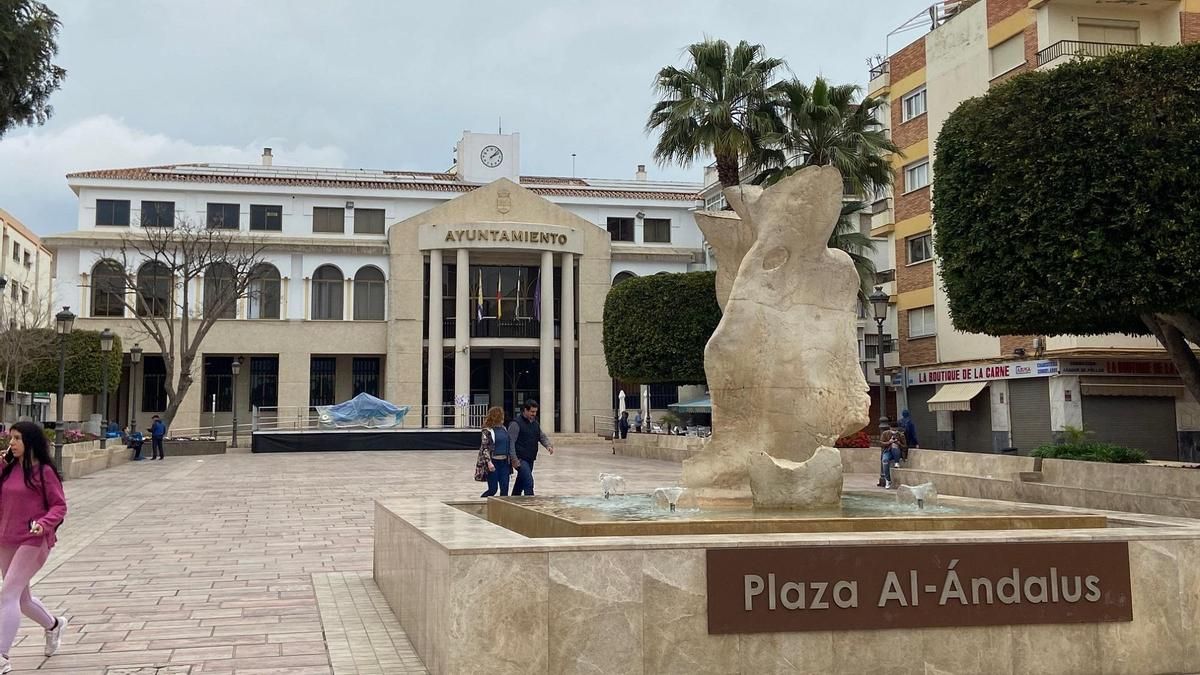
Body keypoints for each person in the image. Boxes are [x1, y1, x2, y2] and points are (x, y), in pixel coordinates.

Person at [0, 422, 69, 672]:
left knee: (7, 594)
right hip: (6, 538)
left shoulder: (44, 472)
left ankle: (2, 656)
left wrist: (44, 523)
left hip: (33, 539)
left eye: (17, 438)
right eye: (10, 438)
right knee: (22, 599)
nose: (12, 443)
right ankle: (53, 625)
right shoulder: (7, 469)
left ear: (30, 442)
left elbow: (59, 506)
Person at [507, 399, 554, 496]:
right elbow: (511, 442)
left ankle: (514, 499)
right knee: (529, 482)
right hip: (520, 459)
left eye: (535, 411)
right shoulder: (516, 424)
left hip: (530, 458)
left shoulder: (535, 423)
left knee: (520, 481)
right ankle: (531, 503)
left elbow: (541, 436)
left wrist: (548, 445)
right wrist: (514, 459)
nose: (534, 414)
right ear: (525, 410)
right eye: (532, 411)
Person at [478, 407, 516, 498]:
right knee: (493, 489)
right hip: (493, 462)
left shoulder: (504, 429)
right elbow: (485, 447)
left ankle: (503, 509)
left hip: (504, 463)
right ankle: (483, 502)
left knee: (505, 488)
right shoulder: (487, 431)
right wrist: (489, 462)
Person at [878, 424, 907, 489]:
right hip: (887, 451)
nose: (894, 431)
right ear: (890, 428)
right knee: (885, 461)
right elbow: (881, 443)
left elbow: (905, 447)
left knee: (894, 447)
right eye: (893, 430)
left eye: (895, 430)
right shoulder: (885, 433)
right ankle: (888, 480)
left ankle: (897, 462)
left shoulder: (901, 435)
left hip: (897, 452)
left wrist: (899, 443)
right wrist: (889, 442)